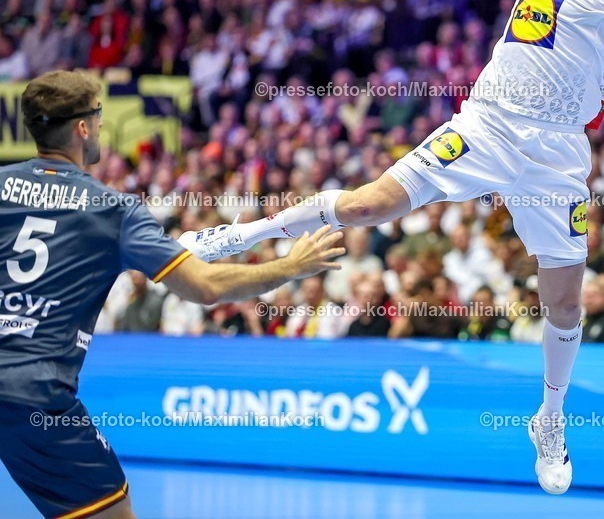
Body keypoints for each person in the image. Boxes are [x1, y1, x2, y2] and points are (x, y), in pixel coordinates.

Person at [179, 0, 604, 495]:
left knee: (564, 302)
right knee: (367, 204)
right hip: (487, 124)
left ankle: (550, 419)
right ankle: (238, 236)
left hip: (556, 154)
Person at [0, 71, 345, 519]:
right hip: (35, 390)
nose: (102, 124)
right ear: (82, 127)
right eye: (99, 114)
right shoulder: (113, 209)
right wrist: (291, 267)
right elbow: (205, 286)